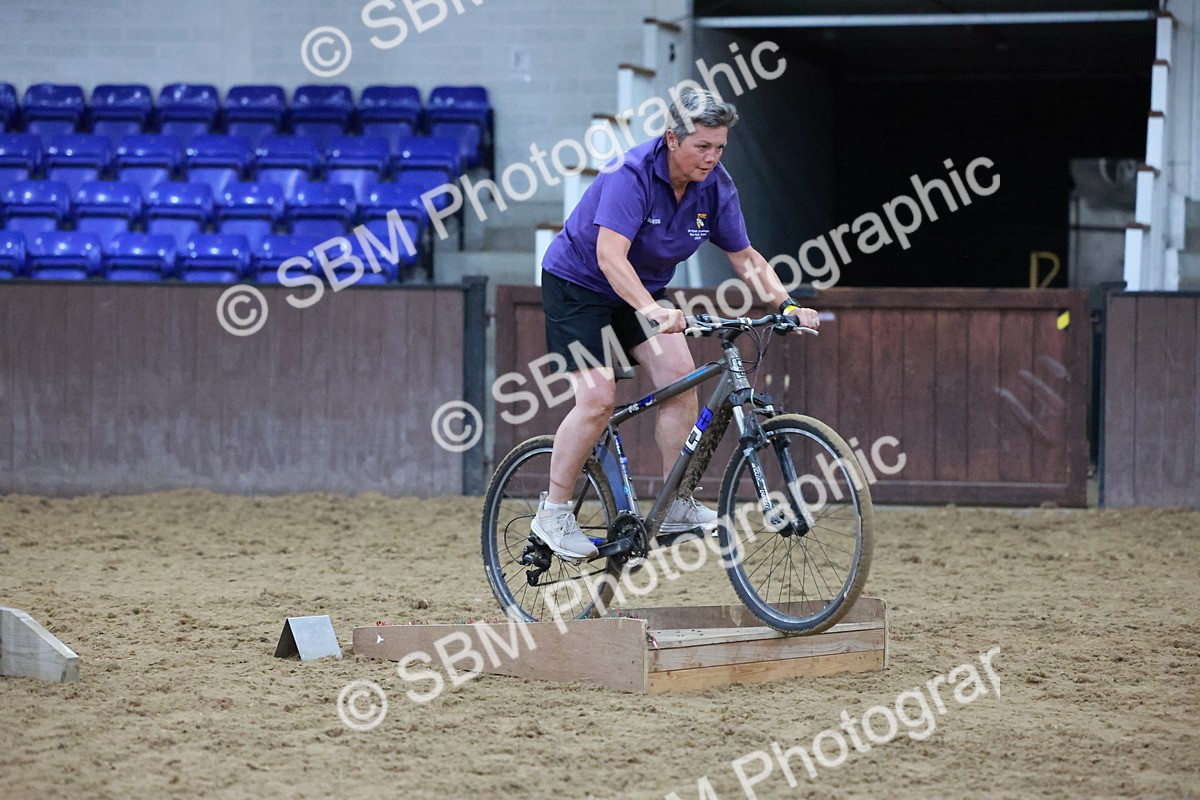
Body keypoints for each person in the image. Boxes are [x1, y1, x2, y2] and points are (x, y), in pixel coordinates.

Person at [533, 88, 820, 559]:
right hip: (579, 286)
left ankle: (677, 504)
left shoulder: (717, 186)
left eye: (720, 147)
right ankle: (554, 513)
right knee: (597, 398)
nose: (712, 157)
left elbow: (745, 257)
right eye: (701, 147)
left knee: (681, 384)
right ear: (671, 139)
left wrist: (786, 305)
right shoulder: (631, 175)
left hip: (640, 289)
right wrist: (651, 310)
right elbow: (609, 256)